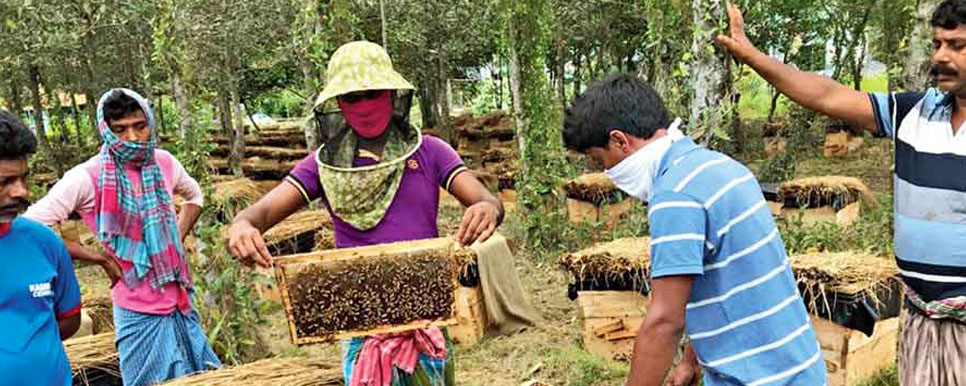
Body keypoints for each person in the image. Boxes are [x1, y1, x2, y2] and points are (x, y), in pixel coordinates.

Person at [227, 41, 503, 386]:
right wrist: (242, 226)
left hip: (425, 320)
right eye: (352, 98)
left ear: (391, 94)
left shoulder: (431, 152)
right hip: (359, 324)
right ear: (338, 104)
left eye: (372, 94)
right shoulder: (321, 166)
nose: (364, 105)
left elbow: (486, 200)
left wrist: (486, 208)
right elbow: (261, 212)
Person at [718, 1, 966, 383]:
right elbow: (827, 95)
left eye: (957, 46)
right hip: (922, 319)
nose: (941, 57)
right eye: (937, 44)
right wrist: (753, 57)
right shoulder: (913, 112)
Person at [563, 73, 827, 385]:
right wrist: (691, 359)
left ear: (620, 141)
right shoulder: (718, 166)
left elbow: (665, 321)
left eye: (600, 159)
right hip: (797, 367)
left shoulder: (675, 195)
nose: (605, 171)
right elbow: (723, 277)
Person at [24, 89, 220, 386]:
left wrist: (175, 239)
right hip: (137, 308)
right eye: (120, 129)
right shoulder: (87, 177)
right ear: (106, 129)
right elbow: (31, 226)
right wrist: (99, 257)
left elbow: (194, 196)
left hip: (179, 299)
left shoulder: (163, 162)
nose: (133, 137)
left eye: (140, 126)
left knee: (201, 378)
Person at [0, 109, 83, 386]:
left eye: (23, 178)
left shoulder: (44, 242)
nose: (21, 192)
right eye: (4, 182)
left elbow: (68, 320)